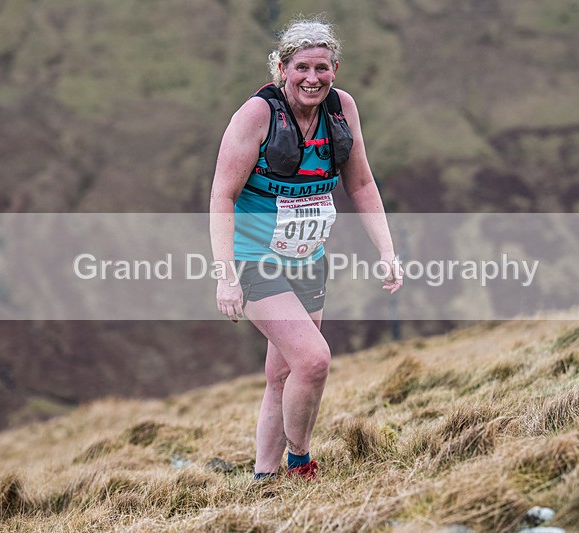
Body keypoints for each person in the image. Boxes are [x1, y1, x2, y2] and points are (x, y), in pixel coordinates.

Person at [209, 16, 402, 481]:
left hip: (309, 260)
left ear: (335, 67)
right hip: (256, 259)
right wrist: (226, 277)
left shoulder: (342, 109)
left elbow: (361, 182)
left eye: (322, 67)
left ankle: (265, 479)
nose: (311, 78)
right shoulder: (256, 116)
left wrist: (387, 252)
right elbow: (221, 196)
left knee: (282, 377)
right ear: (282, 67)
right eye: (301, 68)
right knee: (313, 361)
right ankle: (300, 462)